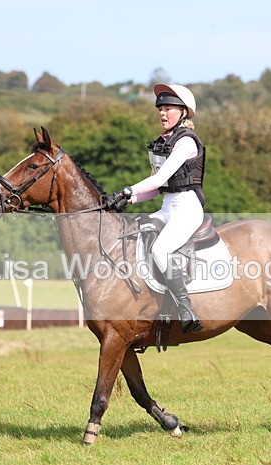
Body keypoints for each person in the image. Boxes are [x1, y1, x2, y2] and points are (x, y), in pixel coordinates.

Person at [107, 83, 206, 333]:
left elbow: (158, 179)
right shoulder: (163, 143)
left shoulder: (186, 143)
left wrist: (128, 190)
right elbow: (158, 188)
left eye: (169, 108)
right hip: (168, 206)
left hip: (187, 209)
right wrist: (129, 200)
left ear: (183, 112)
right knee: (133, 234)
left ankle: (186, 308)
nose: (162, 113)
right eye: (160, 108)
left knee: (161, 249)